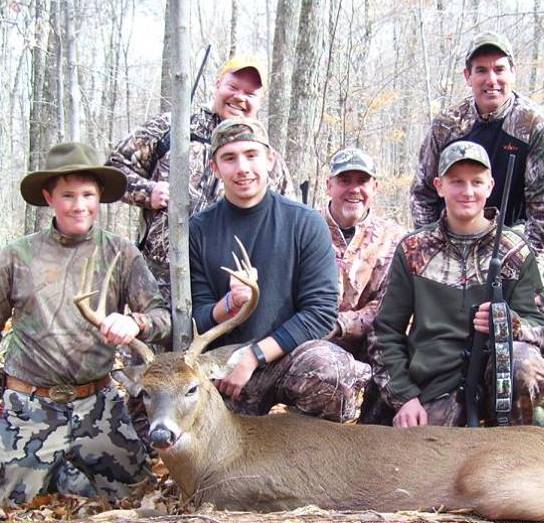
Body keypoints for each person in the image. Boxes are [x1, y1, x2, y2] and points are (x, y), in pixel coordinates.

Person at [0, 142, 171, 506]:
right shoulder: (17, 256)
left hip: (97, 402)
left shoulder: (121, 254)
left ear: (100, 197)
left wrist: (135, 323)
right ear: (49, 197)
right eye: (68, 195)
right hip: (28, 404)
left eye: (88, 195)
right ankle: (55, 468)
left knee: (139, 497)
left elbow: (162, 317)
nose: (80, 205)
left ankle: (66, 470)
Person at [189, 119, 368, 422]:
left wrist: (254, 356)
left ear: (270, 160)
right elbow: (195, 317)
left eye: (251, 155)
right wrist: (227, 306)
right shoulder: (198, 230)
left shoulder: (305, 223)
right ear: (215, 168)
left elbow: (321, 313)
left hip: (285, 355)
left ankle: (307, 457)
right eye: (229, 158)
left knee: (331, 373)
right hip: (224, 364)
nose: (242, 168)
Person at [372, 141, 544, 427]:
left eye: (476, 182)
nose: (467, 192)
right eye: (457, 182)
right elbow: (384, 334)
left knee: (521, 363)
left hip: (499, 384)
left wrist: (509, 324)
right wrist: (404, 397)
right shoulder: (413, 250)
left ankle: (521, 441)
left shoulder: (515, 250)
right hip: (434, 387)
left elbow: (540, 326)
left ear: (490, 186)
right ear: (439, 186)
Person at [106, 57, 292, 297]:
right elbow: (111, 173)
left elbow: (288, 226)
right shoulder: (171, 128)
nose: (239, 97)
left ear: (260, 101)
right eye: (233, 87)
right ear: (217, 84)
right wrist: (148, 192)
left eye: (250, 94)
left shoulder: (267, 159)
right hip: (160, 286)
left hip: (230, 293)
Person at [410, 31, 544, 253]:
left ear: (513, 72)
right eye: (481, 70)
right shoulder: (447, 125)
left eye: (499, 69)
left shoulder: (533, 126)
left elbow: (540, 208)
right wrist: (432, 248)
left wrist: (522, 263)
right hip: (451, 242)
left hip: (513, 244)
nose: (491, 80)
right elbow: (423, 194)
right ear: (467, 76)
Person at [318, 147, 406, 361]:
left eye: (362, 181)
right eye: (344, 180)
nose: (354, 189)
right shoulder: (305, 227)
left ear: (375, 187)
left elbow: (389, 306)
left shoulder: (395, 239)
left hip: (367, 349)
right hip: (308, 340)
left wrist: (340, 325)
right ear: (329, 186)